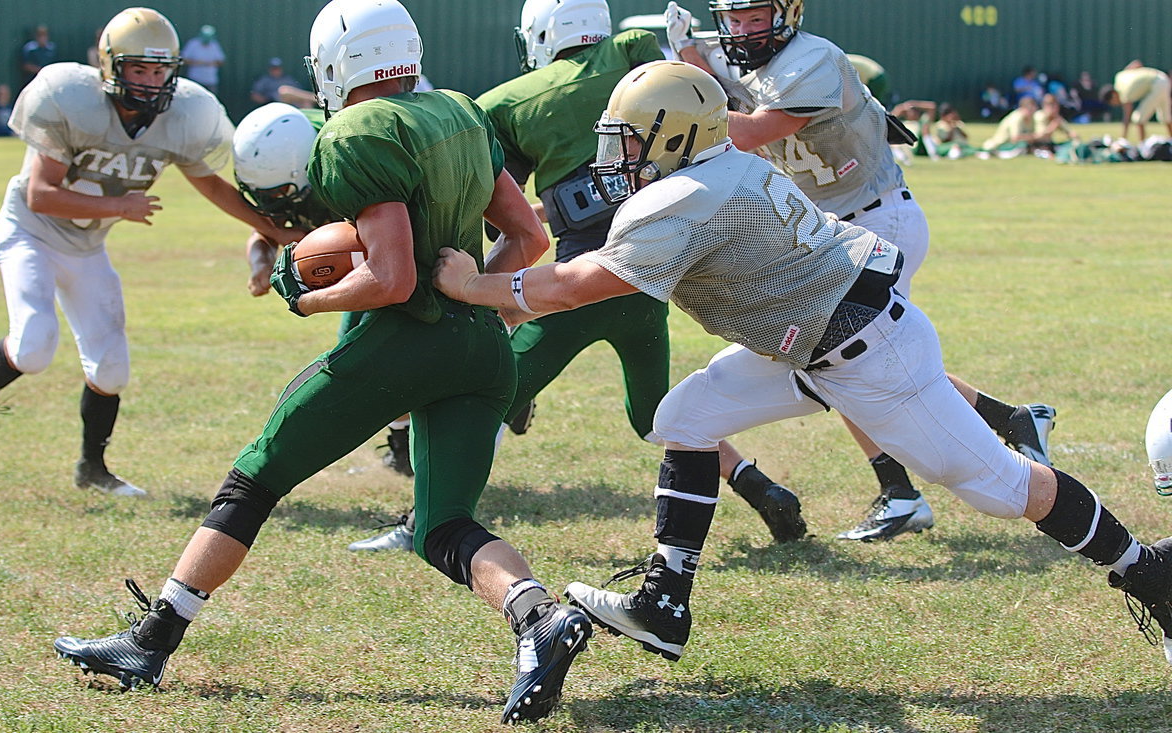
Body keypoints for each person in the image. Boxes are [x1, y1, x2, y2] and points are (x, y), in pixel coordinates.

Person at [433, 59, 1172, 669]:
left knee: (1004, 488)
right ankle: (664, 601)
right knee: (684, 417)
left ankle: (1149, 570)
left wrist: (471, 284)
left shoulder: (685, 194)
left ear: (676, 136)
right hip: (809, 337)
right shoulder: (718, 162)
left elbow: (573, 285)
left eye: (630, 140)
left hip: (864, 352)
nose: (617, 157)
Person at [53, 2, 591, 724]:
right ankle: (540, 620)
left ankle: (149, 643)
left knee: (255, 475)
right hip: (483, 346)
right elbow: (527, 235)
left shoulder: (356, 130)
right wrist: (472, 291)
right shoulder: (461, 108)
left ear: (339, 64)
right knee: (443, 525)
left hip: (403, 344)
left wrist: (306, 298)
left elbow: (392, 278)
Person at [350, 0, 808, 555]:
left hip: (584, 279)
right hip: (644, 283)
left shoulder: (510, 101)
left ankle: (423, 518)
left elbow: (495, 202)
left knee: (480, 399)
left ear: (539, 35)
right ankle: (762, 489)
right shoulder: (635, 62)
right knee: (654, 413)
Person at [666, 0, 1055, 541]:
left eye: (755, 17)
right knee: (870, 359)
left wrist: (671, 102)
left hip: (875, 218)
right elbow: (726, 92)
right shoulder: (756, 62)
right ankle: (1006, 422)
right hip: (838, 228)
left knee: (846, 360)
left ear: (786, 14)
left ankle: (909, 490)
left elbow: (752, 130)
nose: (743, 30)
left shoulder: (812, 58)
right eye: (734, 20)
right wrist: (689, 54)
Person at [0, 7, 294, 496]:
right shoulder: (71, 98)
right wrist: (119, 204)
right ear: (111, 67)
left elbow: (210, 186)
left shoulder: (184, 114)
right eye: (138, 69)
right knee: (35, 345)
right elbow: (40, 193)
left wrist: (274, 230)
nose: (149, 81)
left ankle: (92, 469)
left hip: (87, 247)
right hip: (31, 233)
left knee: (111, 368)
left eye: (159, 70)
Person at [232, 101, 412, 480]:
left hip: (400, 254)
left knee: (365, 351)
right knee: (361, 355)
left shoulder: (349, 169)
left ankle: (409, 442)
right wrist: (260, 265)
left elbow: (388, 245)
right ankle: (401, 443)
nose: (269, 203)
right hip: (372, 259)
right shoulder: (283, 162)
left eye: (277, 192)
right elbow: (264, 229)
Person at [1105, 61, 1172, 141]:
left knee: (1138, 118)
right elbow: (1137, 63)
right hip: (1163, 77)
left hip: (1157, 84)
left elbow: (1127, 116)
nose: (1116, 104)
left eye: (1113, 102)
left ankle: (1142, 145)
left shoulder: (1124, 94)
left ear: (1113, 95)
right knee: (1166, 117)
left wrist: (1123, 138)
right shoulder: (1119, 76)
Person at [180, 25, 225, 95]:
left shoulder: (214, 45)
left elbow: (221, 61)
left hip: (210, 80)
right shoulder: (193, 44)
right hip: (195, 79)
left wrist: (210, 63)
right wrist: (196, 63)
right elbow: (183, 59)